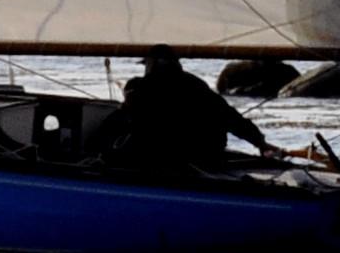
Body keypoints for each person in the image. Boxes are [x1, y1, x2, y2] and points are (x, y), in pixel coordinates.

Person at [111, 45, 270, 169]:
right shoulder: (196, 85)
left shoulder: (141, 88)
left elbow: (119, 121)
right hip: (206, 154)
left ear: (150, 64)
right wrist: (260, 143)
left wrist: (94, 146)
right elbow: (230, 117)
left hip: (164, 157)